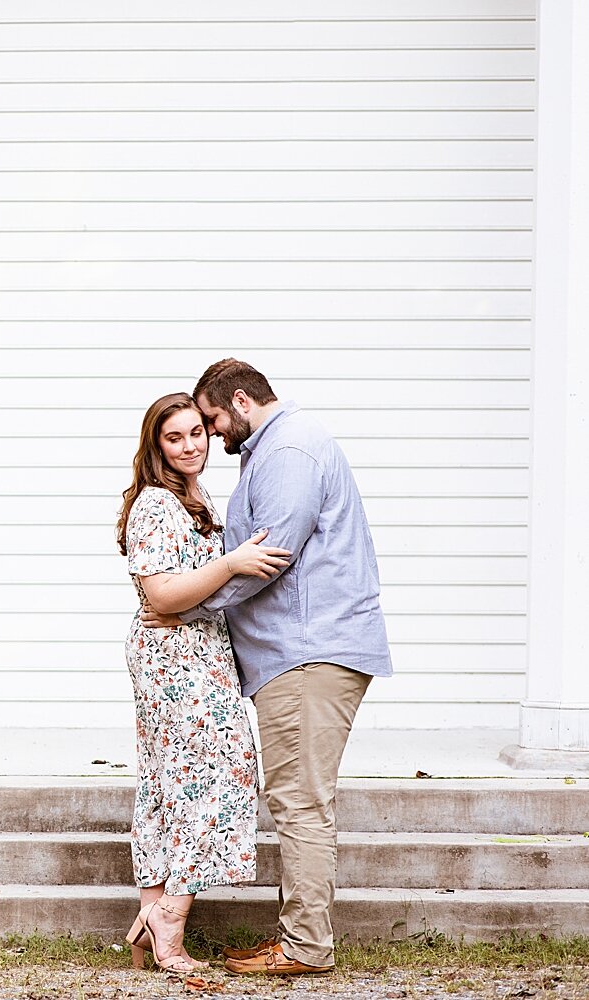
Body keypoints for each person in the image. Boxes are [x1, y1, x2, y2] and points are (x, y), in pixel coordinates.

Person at [143, 359, 394, 977]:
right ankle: (297, 940)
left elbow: (267, 557)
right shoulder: (279, 448)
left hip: (308, 653)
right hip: (298, 653)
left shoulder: (288, 452)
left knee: (301, 802)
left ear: (239, 402)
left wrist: (184, 603)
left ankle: (305, 946)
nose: (208, 435)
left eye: (211, 420)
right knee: (296, 798)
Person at [116, 392, 291, 973]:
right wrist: (231, 563)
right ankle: (169, 913)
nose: (192, 445)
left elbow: (183, 592)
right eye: (176, 437)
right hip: (175, 661)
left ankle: (155, 927)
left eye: (198, 433)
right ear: (155, 445)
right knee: (219, 774)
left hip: (202, 653)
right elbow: (161, 594)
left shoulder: (196, 497)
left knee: (174, 781)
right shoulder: (155, 505)